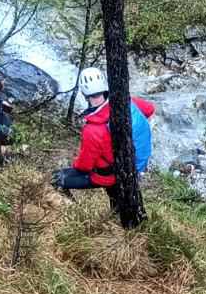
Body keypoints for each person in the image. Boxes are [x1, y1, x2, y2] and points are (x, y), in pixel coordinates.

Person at [50, 67, 156, 204]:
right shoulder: (123, 101)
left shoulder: (93, 130)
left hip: (108, 176)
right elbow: (150, 109)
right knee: (117, 202)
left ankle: (73, 209)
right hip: (133, 167)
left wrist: (75, 164)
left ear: (84, 93)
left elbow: (84, 166)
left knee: (53, 178)